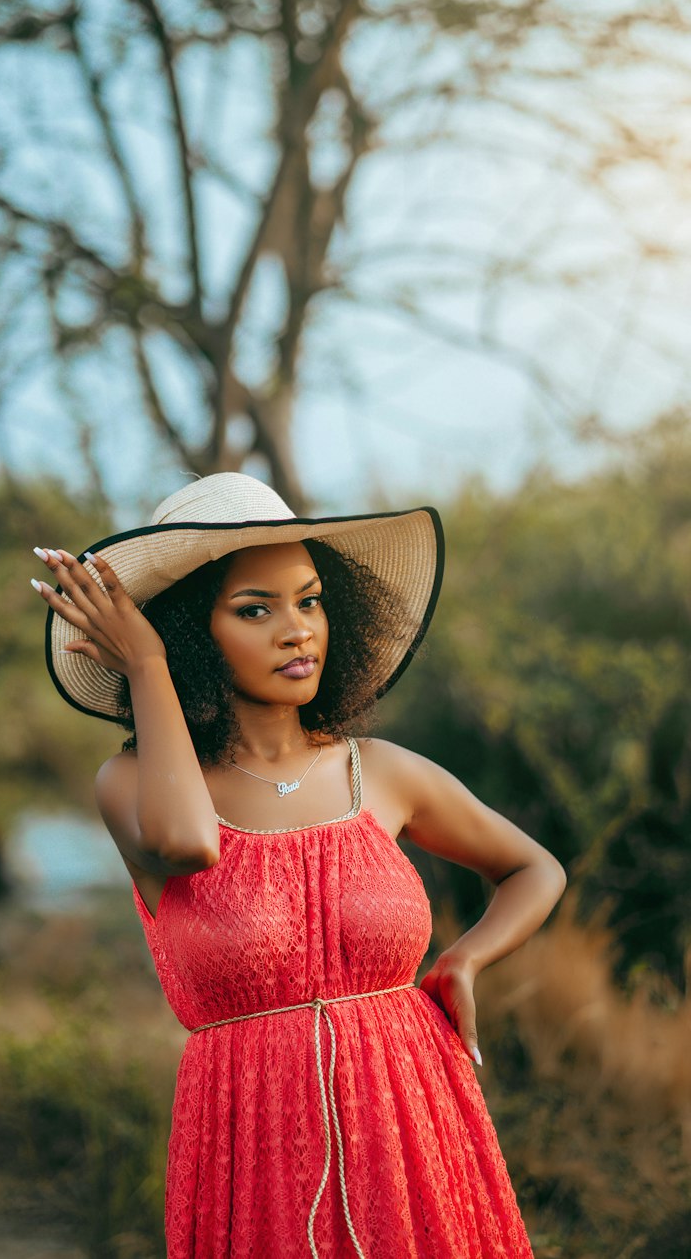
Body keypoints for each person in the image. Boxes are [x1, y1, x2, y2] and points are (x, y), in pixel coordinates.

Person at [32, 472, 566, 1259]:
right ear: (187, 632)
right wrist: (148, 668)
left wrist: (465, 959)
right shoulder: (131, 784)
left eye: (309, 600)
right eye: (256, 609)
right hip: (253, 1145)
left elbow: (534, 869)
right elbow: (188, 845)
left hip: (413, 1123)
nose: (297, 631)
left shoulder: (381, 772)